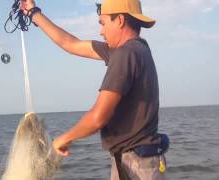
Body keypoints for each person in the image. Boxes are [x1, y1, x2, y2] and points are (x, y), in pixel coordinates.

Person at [20, 0, 169, 179]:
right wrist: (33, 12)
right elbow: (71, 44)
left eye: (103, 23)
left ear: (120, 20)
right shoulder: (135, 50)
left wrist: (64, 139)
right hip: (137, 160)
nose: (101, 31)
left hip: (137, 165)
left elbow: (98, 117)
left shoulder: (126, 54)